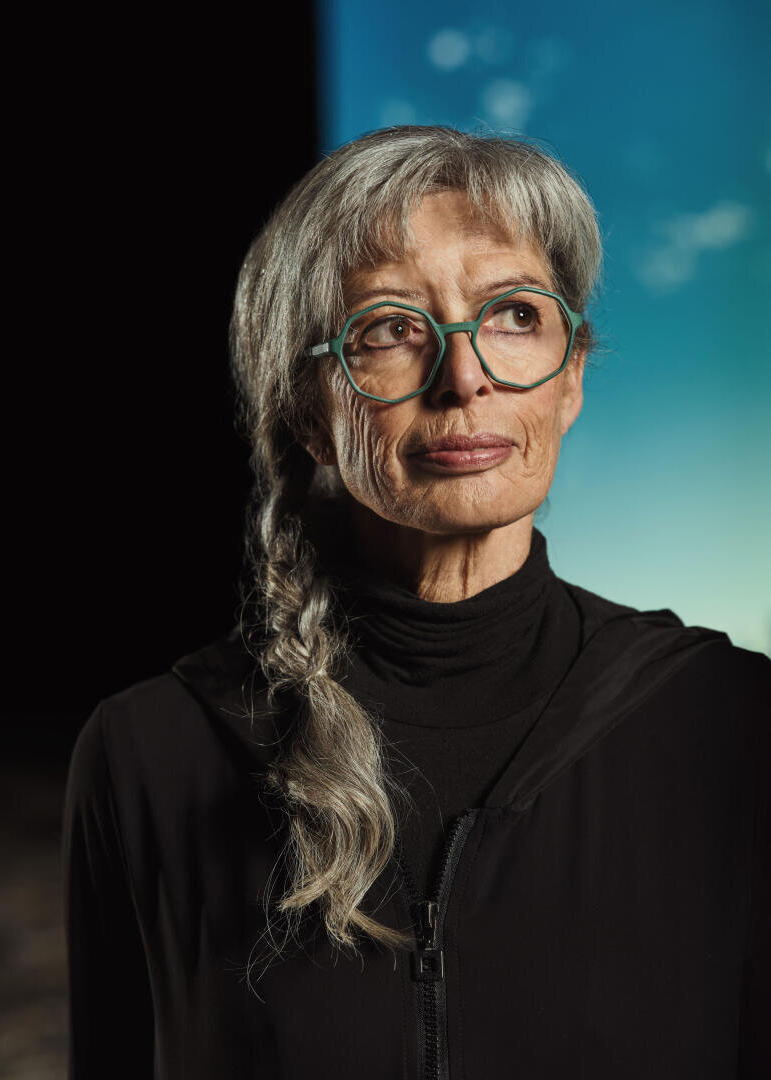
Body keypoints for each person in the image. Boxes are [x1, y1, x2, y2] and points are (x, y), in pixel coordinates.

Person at [62, 126, 770, 1079]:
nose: (465, 377)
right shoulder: (149, 753)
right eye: (390, 328)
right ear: (309, 410)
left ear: (573, 377)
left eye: (515, 314)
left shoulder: (736, 725)